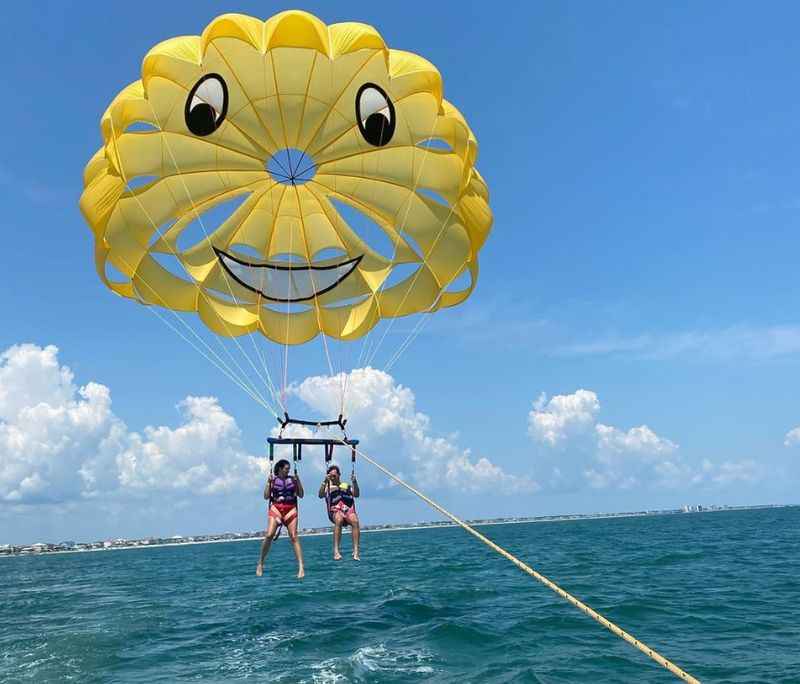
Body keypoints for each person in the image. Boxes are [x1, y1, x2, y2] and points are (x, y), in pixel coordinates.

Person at [257, 459, 305, 578]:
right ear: (279, 469)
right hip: (276, 508)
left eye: (289, 469)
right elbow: (266, 496)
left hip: (290, 509)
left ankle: (301, 567)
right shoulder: (273, 480)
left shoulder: (292, 480)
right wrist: (268, 483)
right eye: (286, 469)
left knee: (294, 537)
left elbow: (301, 495)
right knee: (269, 535)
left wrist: (298, 481)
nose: (288, 471)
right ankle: (261, 563)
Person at [318, 465, 360, 561]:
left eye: (334, 475)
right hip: (335, 510)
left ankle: (356, 551)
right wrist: (325, 481)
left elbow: (356, 494)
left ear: (339, 475)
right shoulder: (328, 487)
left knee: (355, 520)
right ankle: (336, 551)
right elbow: (320, 495)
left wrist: (354, 482)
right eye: (331, 476)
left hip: (347, 509)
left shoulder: (346, 485)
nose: (333, 477)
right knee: (339, 519)